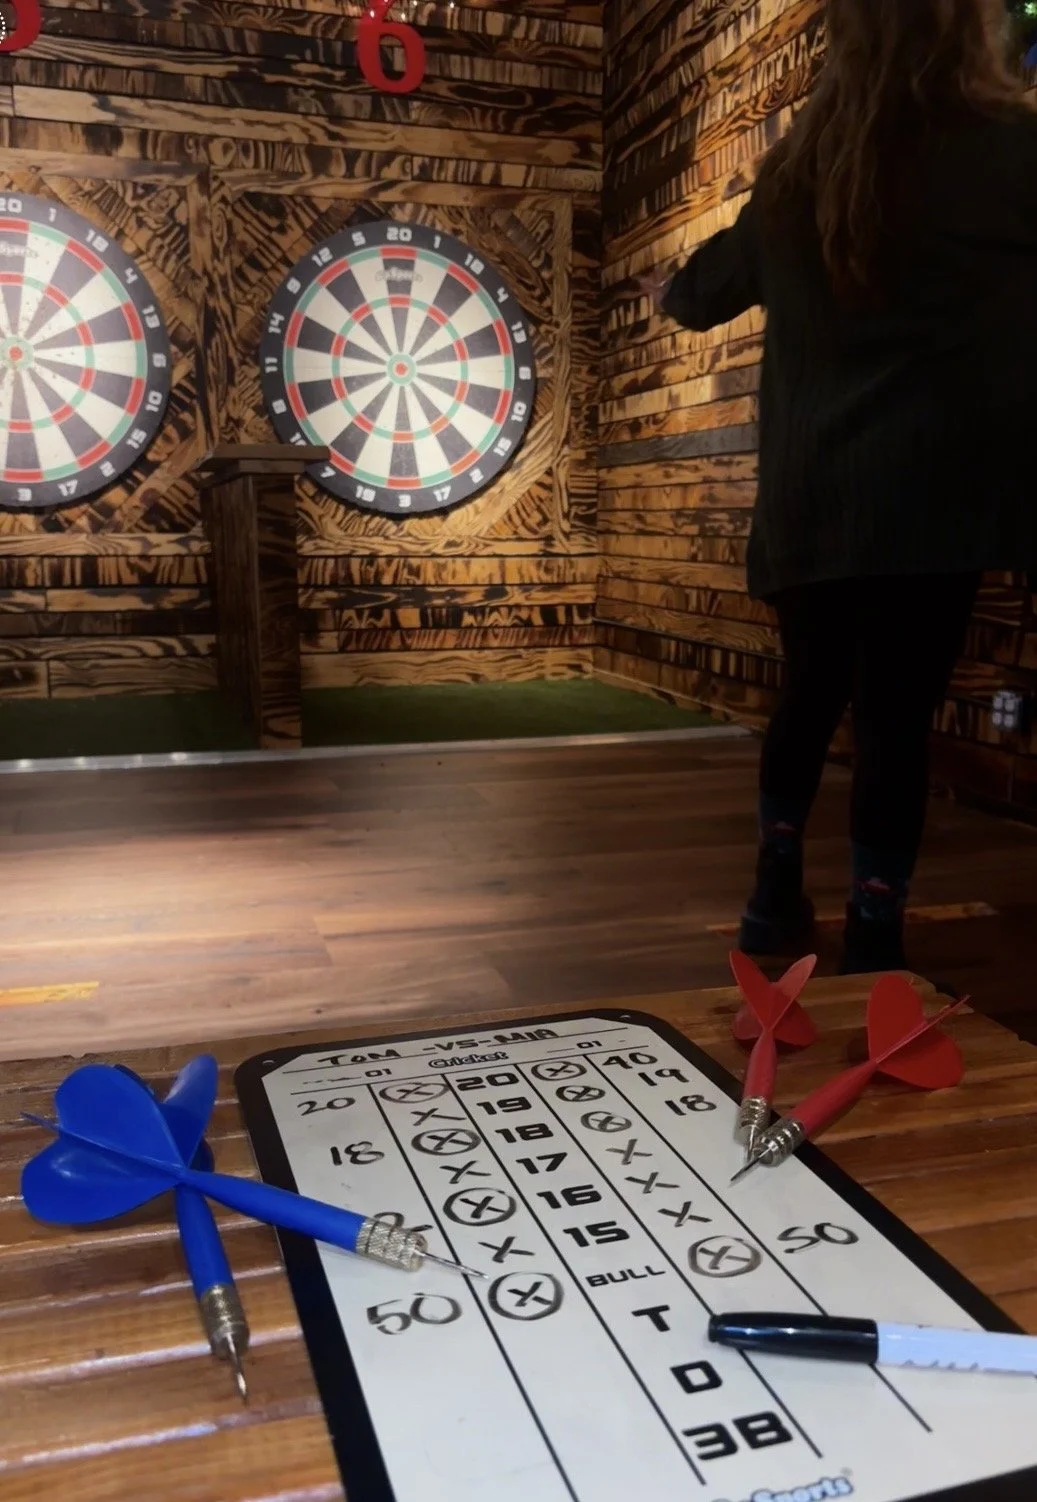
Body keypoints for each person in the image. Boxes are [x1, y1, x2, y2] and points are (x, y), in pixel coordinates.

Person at [639, 0, 1037, 974]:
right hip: (933, 502)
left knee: (807, 695)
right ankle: (873, 935)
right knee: (895, 721)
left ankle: (771, 895)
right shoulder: (1009, 150)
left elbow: (693, 296)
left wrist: (695, 274)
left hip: (811, 496)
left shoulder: (794, 175)